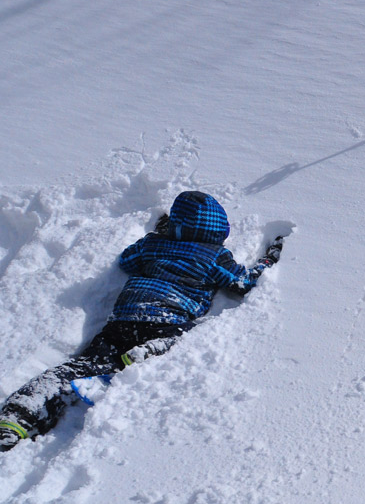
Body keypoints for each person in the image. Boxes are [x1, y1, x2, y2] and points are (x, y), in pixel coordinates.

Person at [0, 191, 282, 452]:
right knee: (187, 335)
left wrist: (159, 236)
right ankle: (153, 349)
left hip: (124, 320)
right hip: (167, 321)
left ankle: (16, 417)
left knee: (77, 367)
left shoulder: (153, 244)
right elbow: (241, 283)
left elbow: (126, 260)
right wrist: (266, 263)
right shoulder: (215, 255)